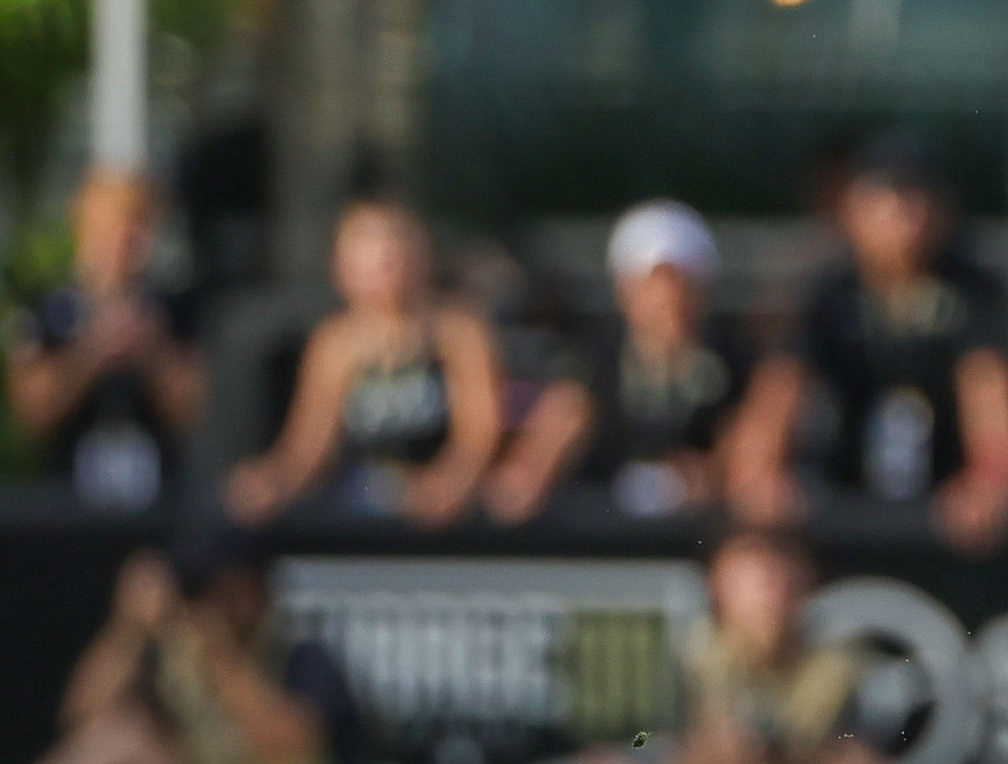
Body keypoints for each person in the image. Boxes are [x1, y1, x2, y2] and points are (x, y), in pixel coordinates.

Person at [727, 140, 1008, 549]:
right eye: (888, 200)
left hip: (943, 511)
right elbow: (777, 396)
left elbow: (989, 392)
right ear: (852, 212)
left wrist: (989, 481)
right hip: (837, 506)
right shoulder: (827, 294)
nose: (906, 218)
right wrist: (760, 475)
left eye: (917, 199)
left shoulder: (973, 293)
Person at [0, 534, 344, 764]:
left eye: (224, 587)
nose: (213, 601)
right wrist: (127, 627)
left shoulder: (299, 652)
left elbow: (289, 745)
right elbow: (82, 719)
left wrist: (221, 659)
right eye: (202, 589)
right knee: (116, 740)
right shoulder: (178, 652)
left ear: (257, 587)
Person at [571, 525, 904, 764]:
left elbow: (853, 758)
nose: (769, 598)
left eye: (778, 584)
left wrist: (781, 761)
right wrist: (689, 758)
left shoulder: (833, 666)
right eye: (755, 585)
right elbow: (638, 740)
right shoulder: (686, 656)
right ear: (717, 587)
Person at [226, 199, 506, 528]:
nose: (387, 259)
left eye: (396, 243)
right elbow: (310, 447)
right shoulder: (334, 343)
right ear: (341, 265)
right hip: (362, 507)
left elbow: (478, 434)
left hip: (449, 516)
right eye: (368, 245)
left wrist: (449, 484)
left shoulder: (458, 331)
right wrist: (272, 481)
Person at [487, 199, 747, 520]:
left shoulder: (736, 358)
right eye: (650, 285)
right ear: (624, 289)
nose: (666, 300)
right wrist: (527, 477)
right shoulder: (594, 358)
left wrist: (714, 475)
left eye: (680, 284)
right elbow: (553, 434)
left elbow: (749, 451)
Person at [9, 166, 201, 513]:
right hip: (65, 505)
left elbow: (203, 414)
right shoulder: (46, 312)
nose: (121, 241)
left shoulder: (180, 311)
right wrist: (92, 352)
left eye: (134, 227)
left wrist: (151, 353)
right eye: (108, 228)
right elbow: (31, 417)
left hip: (161, 505)